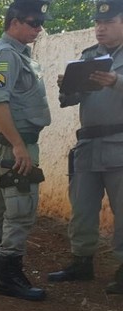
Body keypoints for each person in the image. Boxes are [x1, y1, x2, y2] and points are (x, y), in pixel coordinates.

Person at [0, 0, 52, 301]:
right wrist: (19, 145)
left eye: (40, 24)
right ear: (14, 22)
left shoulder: (14, 54)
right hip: (14, 145)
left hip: (6, 144)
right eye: (33, 23)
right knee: (20, 206)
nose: (38, 29)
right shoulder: (6, 56)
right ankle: (9, 275)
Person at [47, 0, 123, 294]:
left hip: (119, 145)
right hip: (88, 143)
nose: (100, 28)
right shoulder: (89, 56)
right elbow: (71, 100)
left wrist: (115, 80)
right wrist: (68, 86)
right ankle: (81, 261)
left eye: (108, 22)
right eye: (97, 23)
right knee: (82, 207)